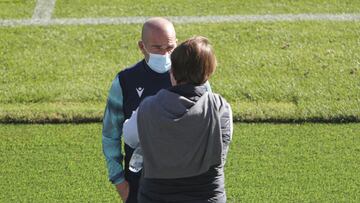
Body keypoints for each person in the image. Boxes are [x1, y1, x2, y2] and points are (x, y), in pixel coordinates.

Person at [123, 36, 233, 203]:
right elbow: (222, 145)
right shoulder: (220, 108)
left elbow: (130, 137)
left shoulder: (147, 107)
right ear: (209, 72)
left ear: (172, 72)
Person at [102, 17, 177, 203]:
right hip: (139, 183)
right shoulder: (125, 81)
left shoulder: (192, 76)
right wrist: (119, 182)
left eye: (169, 48)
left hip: (181, 183)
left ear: (178, 44)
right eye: (157, 48)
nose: (165, 54)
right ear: (142, 47)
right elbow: (110, 134)